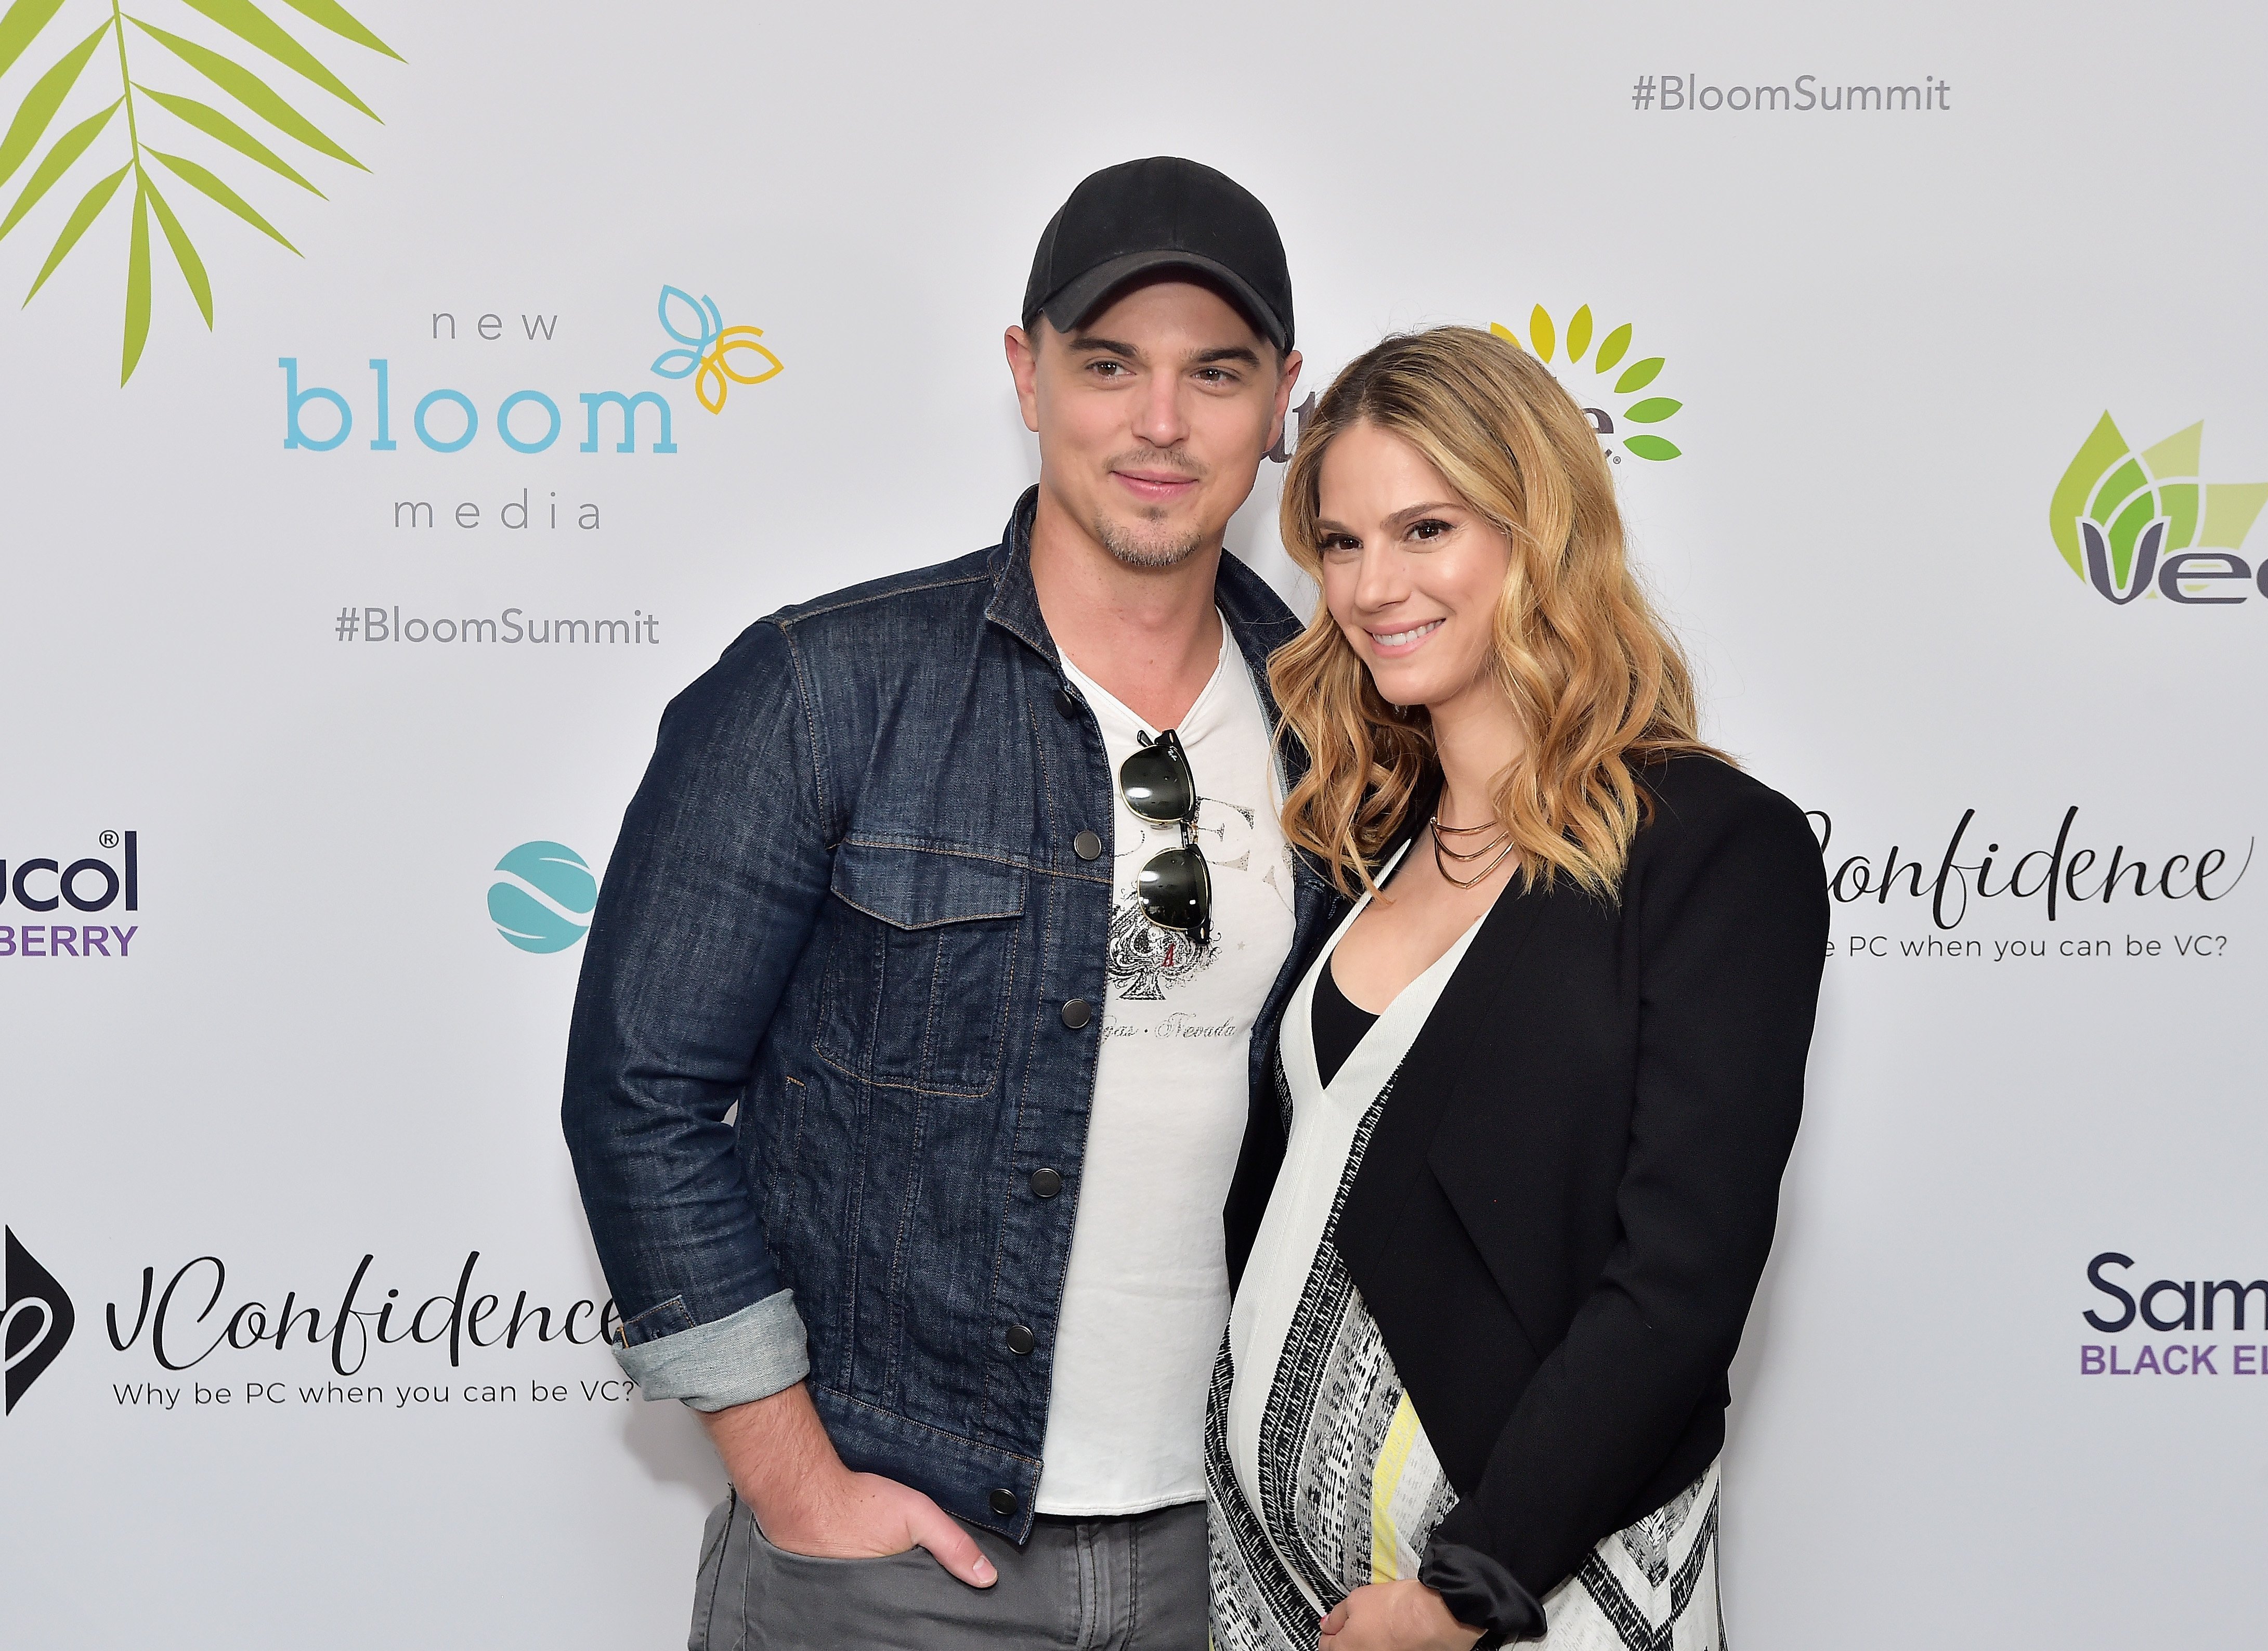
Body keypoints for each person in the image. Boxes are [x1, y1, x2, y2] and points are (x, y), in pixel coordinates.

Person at [562, 156, 1341, 1650]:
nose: (1162, 423)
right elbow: (641, 1093)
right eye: (1108, 365)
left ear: (1281, 398)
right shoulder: (820, 691)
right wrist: (796, 1486)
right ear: (1025, 371)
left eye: (1215, 373)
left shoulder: (1345, 721)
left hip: (1241, 1556)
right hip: (896, 1556)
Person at [1207, 328, 1828, 1650]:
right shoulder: (1363, 840)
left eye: (1426, 528)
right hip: (1271, 1594)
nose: (1376, 586)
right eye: (1341, 542)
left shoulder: (1711, 847)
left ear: (1539, 530)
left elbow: (1679, 1282)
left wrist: (1466, 1588)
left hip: (1526, 1597)